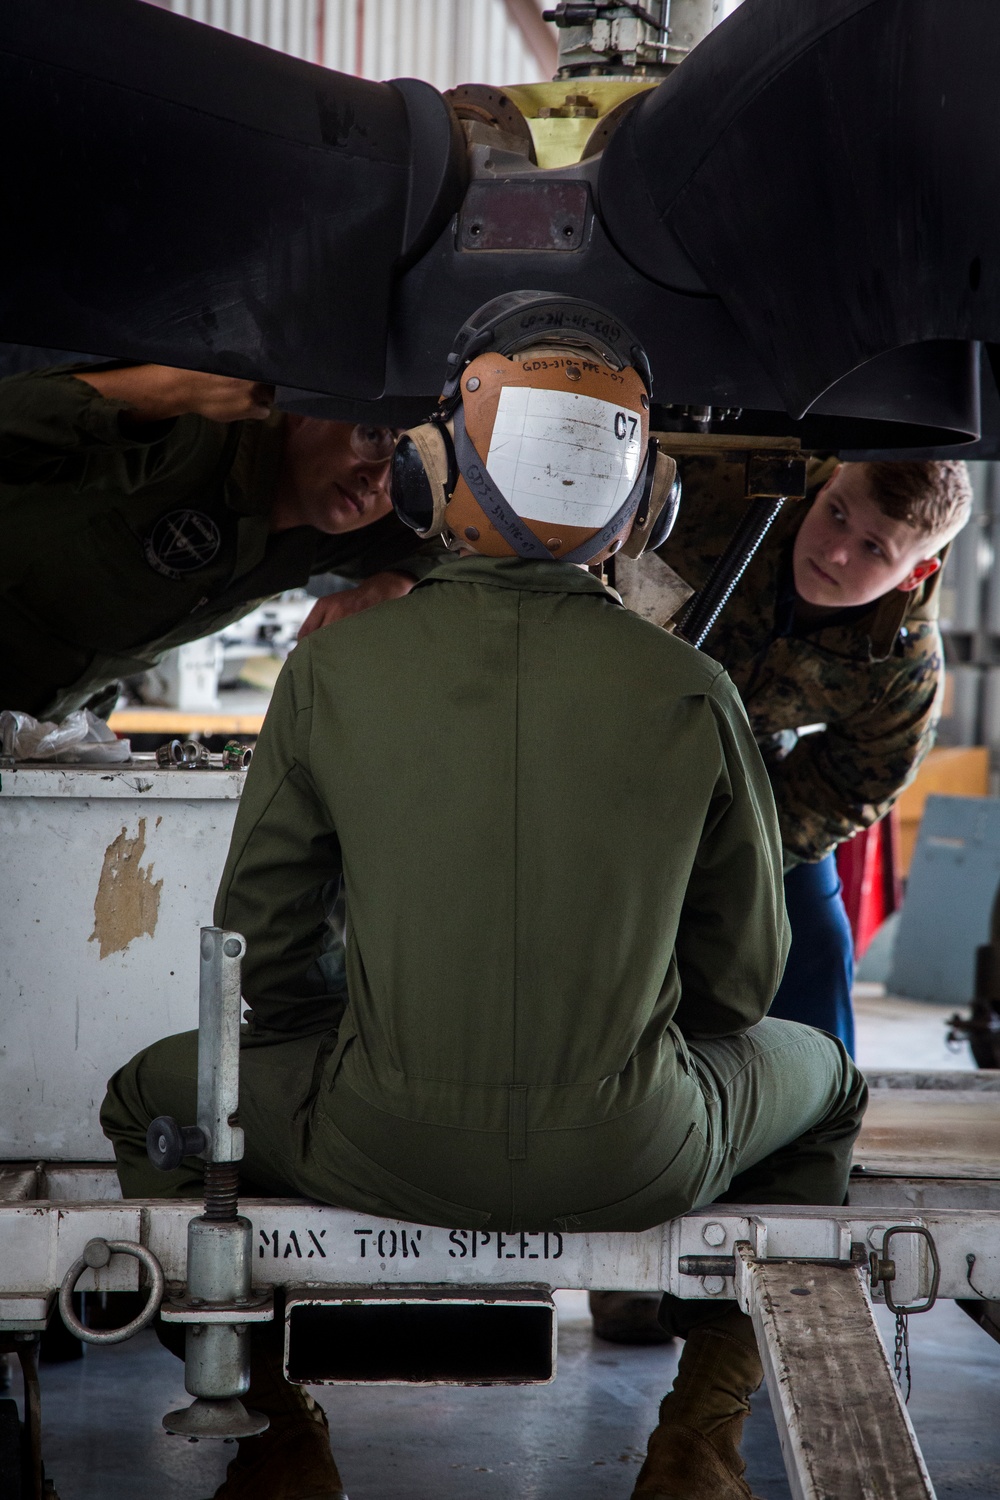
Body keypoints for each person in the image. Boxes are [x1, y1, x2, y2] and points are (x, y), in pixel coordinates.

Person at [101, 293, 867, 1500]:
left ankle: (275, 1422)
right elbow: (736, 988)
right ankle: (697, 1439)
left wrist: (354, 1042)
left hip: (371, 1140)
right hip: (640, 1150)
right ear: (641, 498)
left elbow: (262, 943)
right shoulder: (693, 691)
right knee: (828, 1085)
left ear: (426, 474)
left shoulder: (333, 669)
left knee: (142, 1094)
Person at [651, 453, 973, 1057]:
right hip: (603, 731)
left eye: (874, 548)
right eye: (837, 513)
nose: (835, 551)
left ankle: (818, 1121)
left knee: (810, 941)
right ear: (828, 481)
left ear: (916, 573)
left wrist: (735, 854)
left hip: (744, 776)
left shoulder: (905, 666)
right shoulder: (720, 493)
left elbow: (850, 785)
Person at [0, 361, 441, 721]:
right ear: (311, 406)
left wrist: (401, 579)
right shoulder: (197, 431)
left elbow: (480, 553)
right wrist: (167, 389)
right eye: (374, 435)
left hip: (42, 717)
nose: (379, 480)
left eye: (408, 463)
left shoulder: (334, 520)